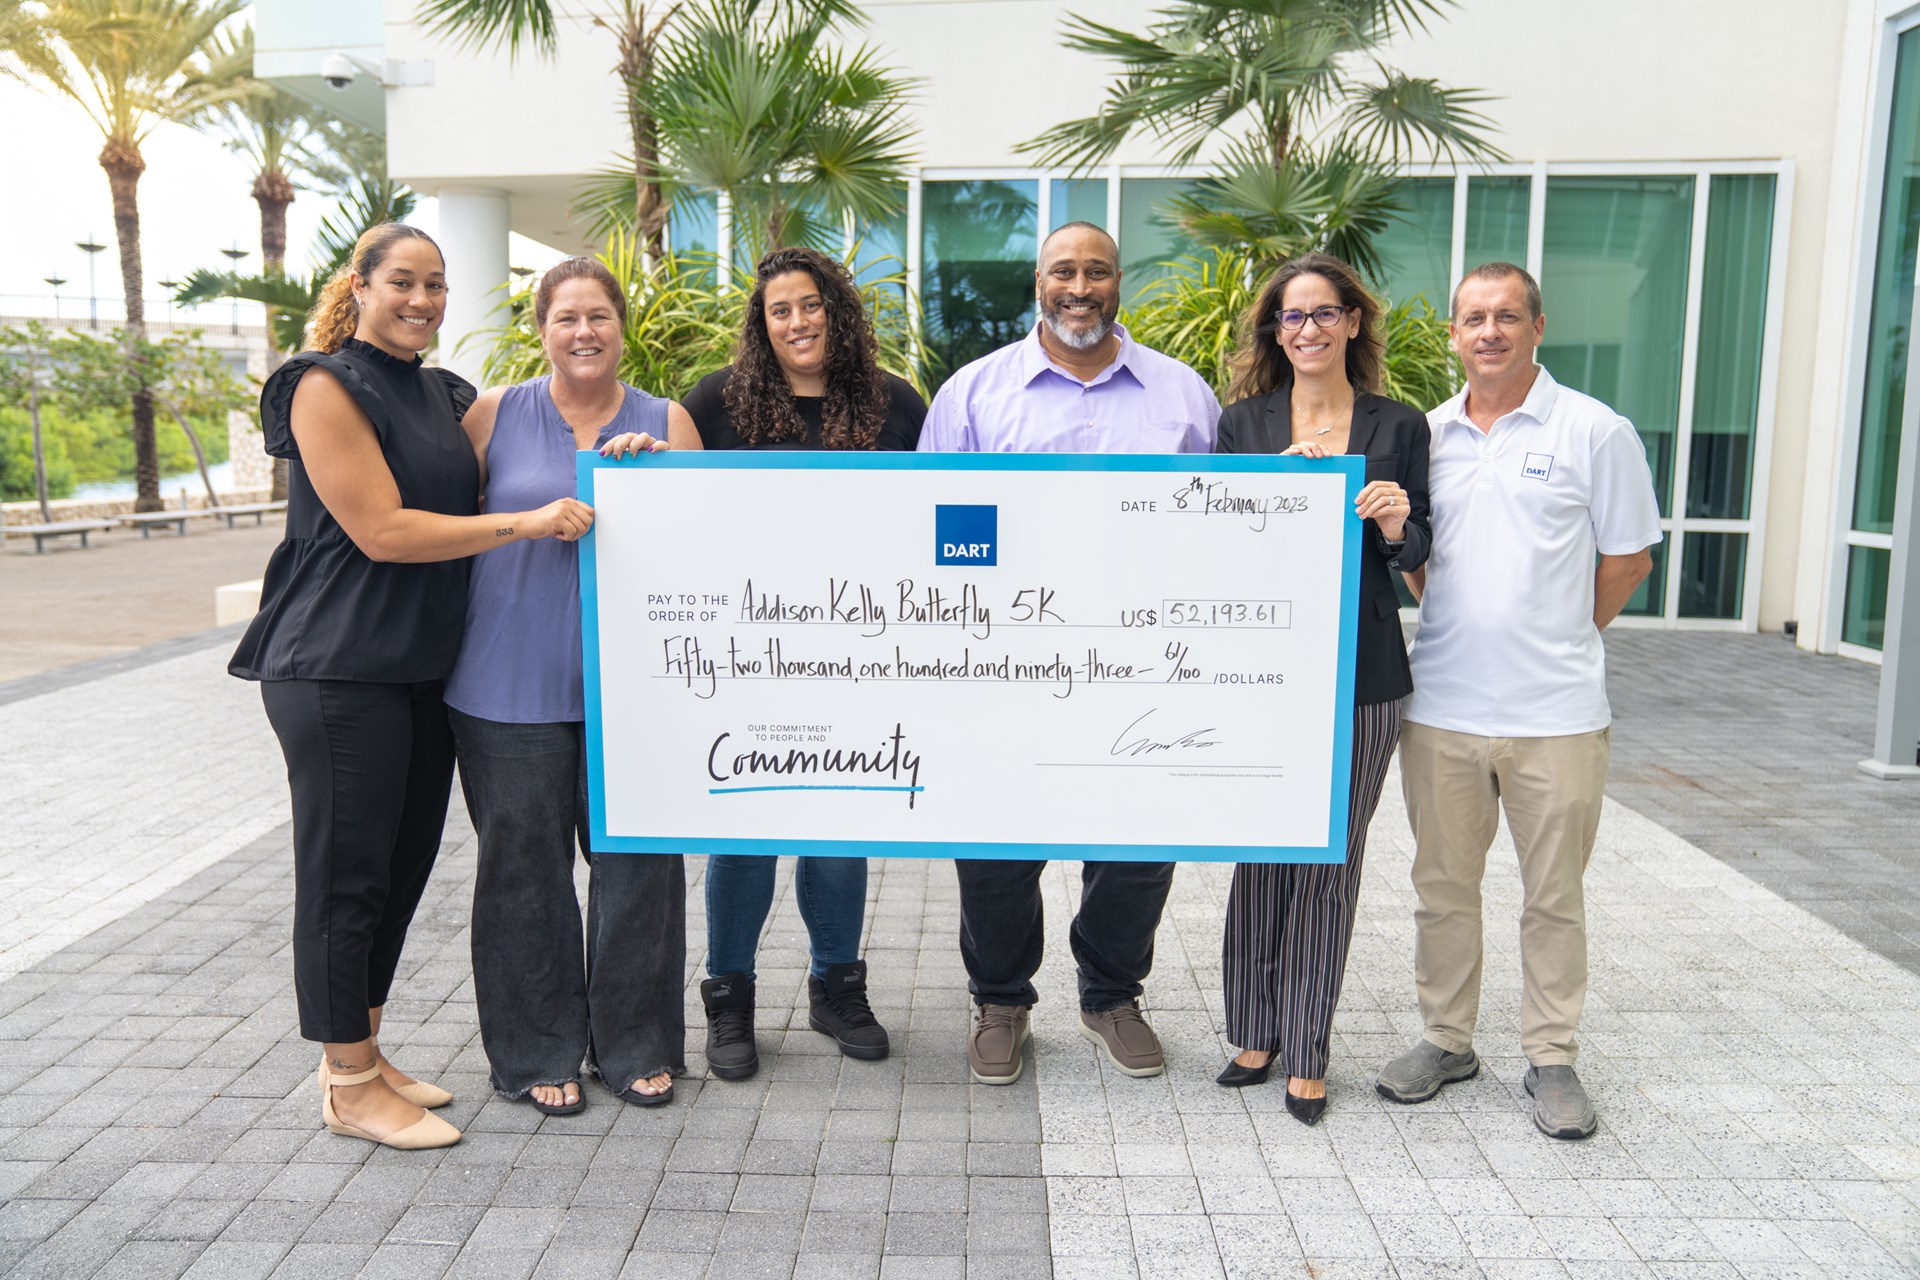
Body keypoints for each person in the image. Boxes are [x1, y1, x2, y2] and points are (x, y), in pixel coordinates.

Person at [230, 224, 594, 1150]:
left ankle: (367, 1050)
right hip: (338, 665)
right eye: (403, 281)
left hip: (421, 670)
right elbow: (384, 531)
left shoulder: (441, 393)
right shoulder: (320, 383)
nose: (422, 299)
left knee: (400, 871)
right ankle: (347, 1084)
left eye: (436, 284)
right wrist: (527, 524)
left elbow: (499, 474)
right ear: (361, 285)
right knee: (345, 876)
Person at [917, 221, 1220, 1085]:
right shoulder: (975, 395)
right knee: (997, 842)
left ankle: (1110, 995)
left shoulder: (1183, 396)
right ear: (1038, 282)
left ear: (1118, 281)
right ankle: (1002, 999)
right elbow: (932, 527)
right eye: (1062, 270)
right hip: (1005, 657)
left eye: (1095, 270)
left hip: (1146, 660)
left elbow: (1223, 525)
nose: (1078, 285)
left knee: (1136, 840)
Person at [1375, 262, 1659, 1140]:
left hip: (1558, 716)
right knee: (1442, 887)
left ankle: (1551, 1056)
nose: (1488, 331)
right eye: (1473, 318)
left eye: (1506, 316)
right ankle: (1446, 1039)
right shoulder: (1428, 434)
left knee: (1554, 895)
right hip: (1445, 706)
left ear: (1539, 326)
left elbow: (1629, 559)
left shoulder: (1594, 431)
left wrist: (1566, 636)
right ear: (1454, 335)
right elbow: (1418, 555)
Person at [445, 257, 703, 1114]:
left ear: (622, 327)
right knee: (522, 871)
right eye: (566, 319)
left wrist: (659, 477)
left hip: (634, 695)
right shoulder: (490, 414)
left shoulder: (665, 421)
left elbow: (706, 551)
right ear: (541, 329)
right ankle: (533, 1050)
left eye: (598, 316)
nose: (583, 332)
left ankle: (635, 1045)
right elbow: (446, 529)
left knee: (640, 869)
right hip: (505, 686)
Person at [681, 245, 927, 1079]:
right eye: (781, 309)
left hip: (860, 655)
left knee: (838, 828)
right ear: (762, 322)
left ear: (839, 311)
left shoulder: (895, 404)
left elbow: (930, 521)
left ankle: (835, 987)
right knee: (744, 833)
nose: (798, 321)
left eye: (813, 305)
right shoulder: (718, 401)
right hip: (748, 653)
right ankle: (731, 999)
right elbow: (671, 505)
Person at [1211, 253, 1429, 1125]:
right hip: (1264, 672)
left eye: (1324, 313)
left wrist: (1393, 521)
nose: (1307, 329)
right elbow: (1219, 541)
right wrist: (1275, 493)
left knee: (1331, 858)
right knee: (1260, 850)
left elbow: (1419, 556)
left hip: (1365, 674)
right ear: (1274, 331)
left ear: (1352, 322)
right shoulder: (1244, 424)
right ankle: (1252, 1033)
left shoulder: (1398, 424)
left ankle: (1307, 1048)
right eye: (1291, 317)